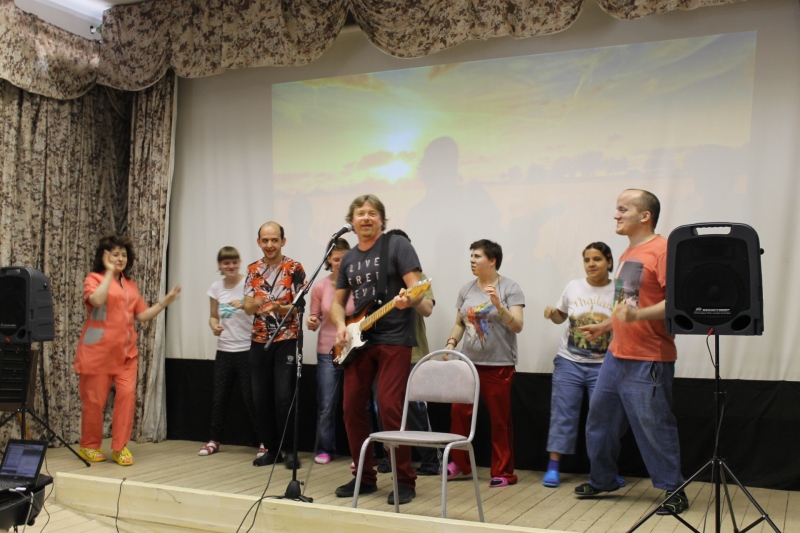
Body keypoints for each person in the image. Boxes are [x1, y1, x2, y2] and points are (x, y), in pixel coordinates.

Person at [575, 189, 689, 516]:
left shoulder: (664, 250)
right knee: (600, 423)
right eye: (617, 209)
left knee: (654, 427)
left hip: (649, 358)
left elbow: (678, 303)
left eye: (623, 209)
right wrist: (606, 326)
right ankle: (603, 480)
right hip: (616, 356)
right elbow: (626, 305)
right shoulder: (629, 252)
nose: (616, 215)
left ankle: (674, 489)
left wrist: (636, 317)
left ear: (645, 216)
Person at [331, 194, 425, 506]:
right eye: (360, 213)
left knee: (389, 407)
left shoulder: (397, 246)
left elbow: (418, 290)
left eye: (372, 213)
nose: (366, 218)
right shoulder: (348, 258)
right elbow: (337, 303)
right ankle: (364, 476)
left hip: (395, 337)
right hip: (360, 341)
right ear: (352, 221)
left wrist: (409, 299)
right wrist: (341, 325)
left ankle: (404, 479)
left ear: (382, 219)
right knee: (350, 408)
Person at [74, 234, 181, 466]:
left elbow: (141, 315)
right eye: (115, 255)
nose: (120, 258)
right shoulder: (94, 279)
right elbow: (97, 301)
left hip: (126, 355)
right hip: (98, 353)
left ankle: (120, 447)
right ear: (104, 257)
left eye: (123, 255)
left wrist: (165, 302)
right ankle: (89, 445)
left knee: (127, 397)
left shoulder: (130, 285)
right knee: (94, 402)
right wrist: (108, 273)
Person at [444, 239, 524, 488]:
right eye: (471, 256)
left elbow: (517, 326)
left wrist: (499, 306)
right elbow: (459, 323)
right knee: (458, 412)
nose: (472, 260)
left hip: (499, 364)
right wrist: (451, 344)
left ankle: (503, 472)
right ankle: (460, 464)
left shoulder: (510, 288)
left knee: (499, 419)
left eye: (477, 256)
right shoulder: (466, 289)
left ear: (492, 260)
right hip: (468, 363)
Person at [542, 242, 621, 488]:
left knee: (604, 421)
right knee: (562, 414)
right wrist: (552, 313)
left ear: (609, 262)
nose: (591, 264)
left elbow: (626, 322)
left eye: (597, 259)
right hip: (569, 362)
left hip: (604, 365)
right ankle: (553, 467)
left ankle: (605, 472)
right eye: (587, 260)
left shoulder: (619, 290)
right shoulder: (573, 286)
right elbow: (561, 317)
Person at [245, 222, 307, 468]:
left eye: (274, 240)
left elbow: (300, 306)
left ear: (283, 241)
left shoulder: (294, 268)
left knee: (283, 397)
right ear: (259, 242)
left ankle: (290, 450)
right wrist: (253, 304)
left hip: (286, 340)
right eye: (265, 240)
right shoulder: (252, 269)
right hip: (259, 341)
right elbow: (248, 305)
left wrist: (279, 307)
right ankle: (271, 450)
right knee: (260, 399)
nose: (269, 245)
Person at [384, 229, 440, 477]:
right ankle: (391, 457)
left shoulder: (419, 278)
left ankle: (430, 458)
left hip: (413, 353)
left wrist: (413, 298)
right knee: (384, 408)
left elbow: (427, 309)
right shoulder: (379, 279)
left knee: (415, 409)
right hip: (383, 353)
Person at [198, 246, 259, 456]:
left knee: (251, 399)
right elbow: (213, 316)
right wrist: (214, 326)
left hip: (247, 349)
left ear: (239, 263)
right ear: (220, 265)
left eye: (234, 262)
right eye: (226, 263)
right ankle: (214, 440)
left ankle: (264, 441)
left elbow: (257, 308)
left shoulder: (248, 284)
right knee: (219, 398)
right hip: (224, 350)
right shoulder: (216, 288)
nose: (231, 266)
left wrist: (244, 305)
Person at [306, 238, 354, 465]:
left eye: (345, 259)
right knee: (326, 404)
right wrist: (312, 321)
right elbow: (314, 317)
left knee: (359, 404)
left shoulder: (359, 284)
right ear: (328, 260)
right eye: (336, 259)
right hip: (327, 350)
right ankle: (325, 448)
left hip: (355, 349)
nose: (340, 263)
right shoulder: (320, 286)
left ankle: (363, 452)